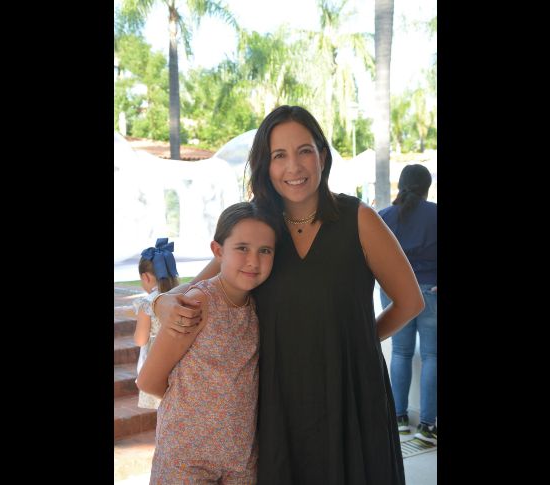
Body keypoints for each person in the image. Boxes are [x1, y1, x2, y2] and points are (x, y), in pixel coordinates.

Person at [153, 105, 425, 484]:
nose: (293, 167)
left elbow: (411, 301)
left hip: (351, 395)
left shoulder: (358, 219)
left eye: (304, 151)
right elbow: (198, 288)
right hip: (277, 401)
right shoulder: (258, 228)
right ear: (265, 165)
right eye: (279, 155)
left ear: (322, 156)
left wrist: (351, 345)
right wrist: (160, 301)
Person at [137, 202, 278, 484]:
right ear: (217, 251)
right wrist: (195, 406)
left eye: (265, 251)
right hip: (186, 460)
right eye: (242, 248)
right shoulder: (199, 302)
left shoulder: (256, 308)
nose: (254, 261)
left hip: (240, 459)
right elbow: (149, 380)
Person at [378, 164, 438, 445]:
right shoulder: (436, 214)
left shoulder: (384, 217)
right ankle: (428, 428)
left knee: (400, 354)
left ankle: (399, 420)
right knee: (432, 357)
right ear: (426, 187)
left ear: (401, 185)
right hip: (432, 291)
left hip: (395, 293)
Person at [132, 238, 180, 409]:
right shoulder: (180, 296)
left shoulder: (148, 303)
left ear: (145, 277)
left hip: (156, 361)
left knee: (161, 407)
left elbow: (140, 340)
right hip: (178, 360)